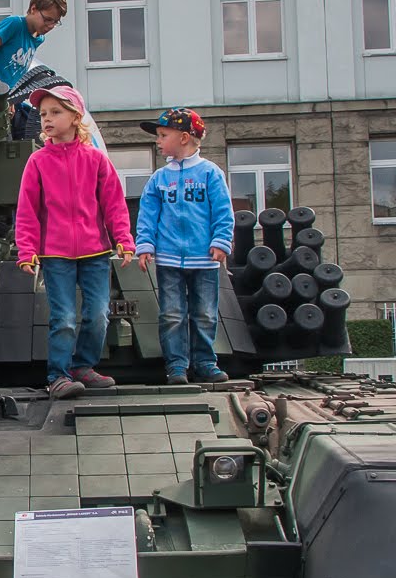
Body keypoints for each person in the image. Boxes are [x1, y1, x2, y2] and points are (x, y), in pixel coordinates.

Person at [13, 83, 134, 398]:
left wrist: (124, 238)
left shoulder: (96, 160)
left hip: (96, 251)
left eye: (55, 112)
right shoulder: (37, 162)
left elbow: (113, 203)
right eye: (43, 114)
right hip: (56, 253)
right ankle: (59, 375)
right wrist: (27, 250)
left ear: (75, 116)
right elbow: (27, 211)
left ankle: (83, 367)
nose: (47, 119)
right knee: (64, 317)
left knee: (98, 314)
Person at [134, 107, 234, 384]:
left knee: (204, 314)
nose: (158, 141)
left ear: (184, 137)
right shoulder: (159, 178)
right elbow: (147, 215)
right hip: (168, 259)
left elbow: (223, 211)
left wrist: (221, 241)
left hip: (203, 259)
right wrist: (144, 246)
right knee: (172, 314)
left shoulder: (210, 173)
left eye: (163, 135)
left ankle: (204, 362)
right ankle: (177, 366)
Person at [0, 0, 66, 140]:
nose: (50, 26)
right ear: (33, 8)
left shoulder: (38, 38)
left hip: (14, 98)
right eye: (48, 19)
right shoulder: (14, 24)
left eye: (55, 22)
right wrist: (1, 94)